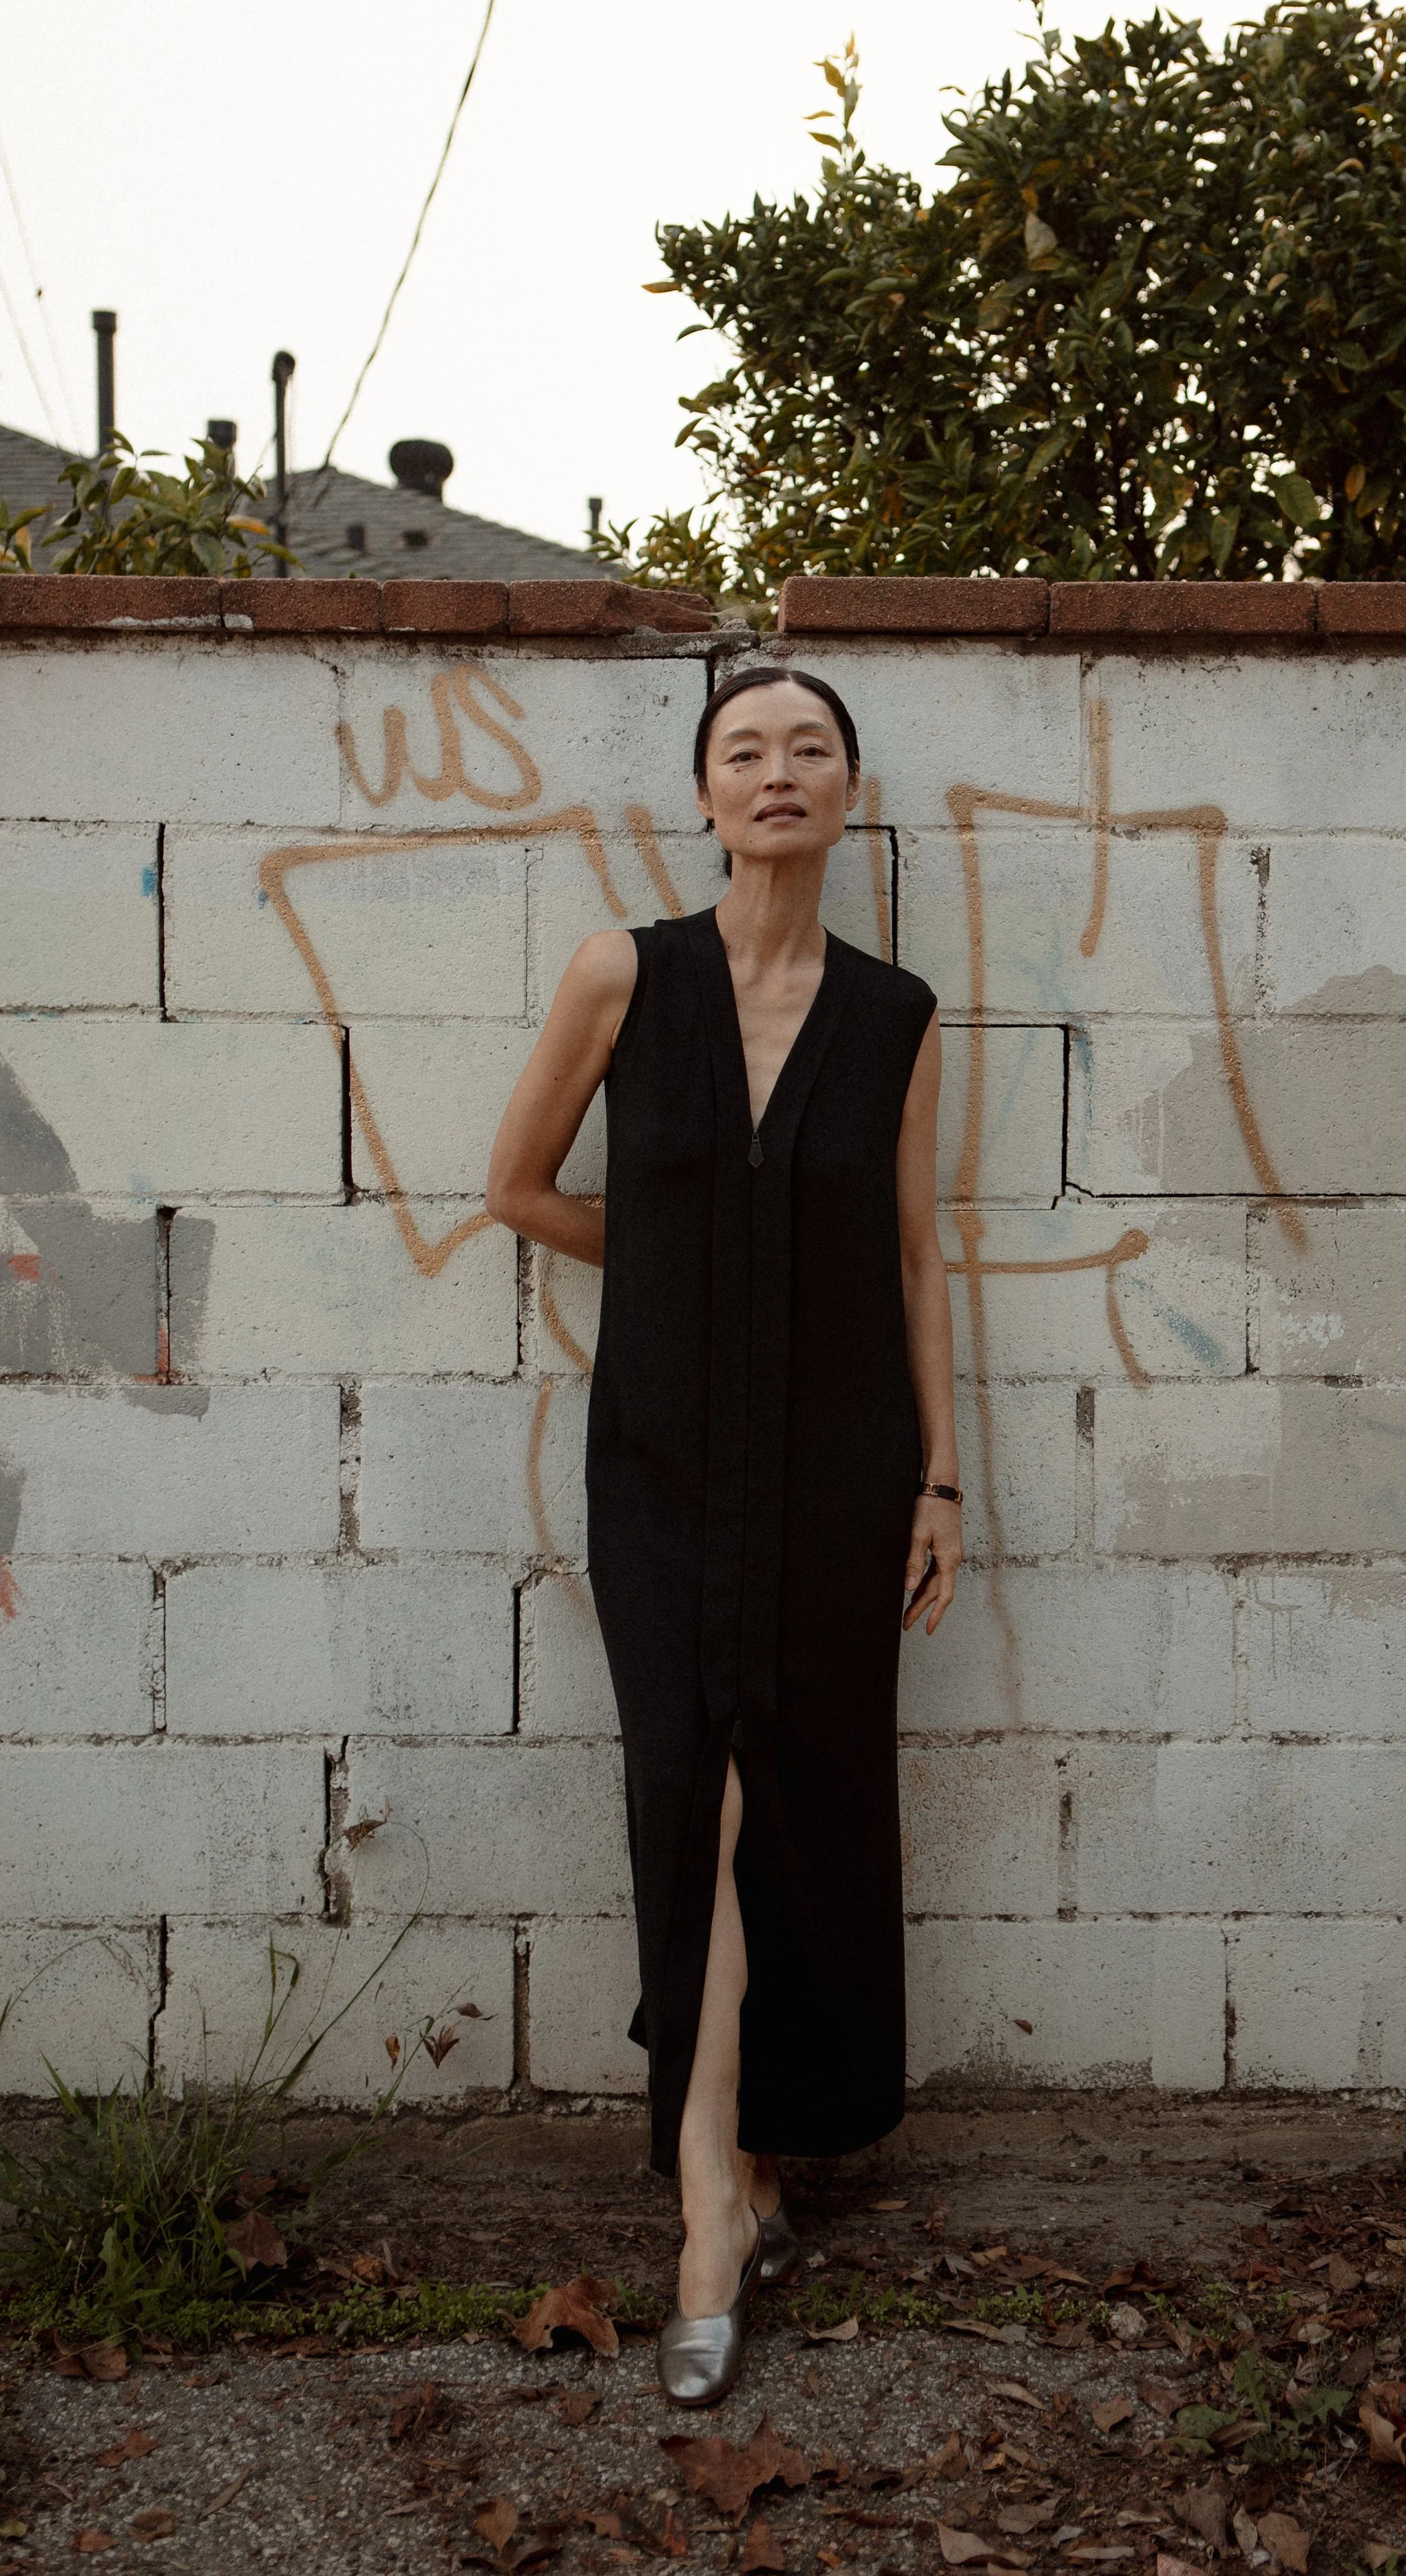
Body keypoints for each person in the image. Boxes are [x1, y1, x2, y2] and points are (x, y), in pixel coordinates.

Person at [486, 666, 963, 2405]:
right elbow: (515, 1187)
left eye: (809, 752)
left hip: (843, 1464)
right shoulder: (628, 973)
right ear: (704, 796)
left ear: (847, 796)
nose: (779, 774)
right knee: (695, 1783)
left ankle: (746, 2163)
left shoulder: (899, 1015)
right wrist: (693, 1264)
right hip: (666, 1458)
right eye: (744, 752)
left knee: (804, 1793)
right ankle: (709, 2192)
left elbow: (913, 1258)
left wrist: (939, 1478)